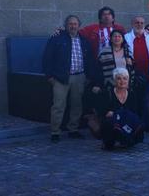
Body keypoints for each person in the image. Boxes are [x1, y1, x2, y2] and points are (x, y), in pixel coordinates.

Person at [43, 15, 94, 143]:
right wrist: (49, 76)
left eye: (75, 24)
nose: (73, 26)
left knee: (77, 105)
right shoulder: (57, 39)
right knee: (58, 106)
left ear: (79, 25)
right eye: (70, 24)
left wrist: (88, 76)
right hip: (61, 78)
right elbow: (47, 57)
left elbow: (90, 60)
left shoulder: (84, 40)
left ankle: (73, 129)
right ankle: (55, 132)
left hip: (79, 77)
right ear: (66, 25)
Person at [125, 16, 149, 131]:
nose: (139, 25)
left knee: (146, 100)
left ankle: (145, 123)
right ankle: (135, 124)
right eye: (137, 22)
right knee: (134, 100)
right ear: (132, 24)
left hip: (148, 74)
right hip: (132, 75)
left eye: (141, 23)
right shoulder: (126, 37)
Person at [100, 68, 143, 150]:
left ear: (128, 80)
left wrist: (119, 114)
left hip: (126, 122)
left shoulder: (132, 94)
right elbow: (103, 112)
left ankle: (127, 140)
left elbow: (135, 111)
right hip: (112, 123)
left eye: (125, 78)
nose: (122, 81)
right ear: (114, 81)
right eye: (119, 78)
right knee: (108, 122)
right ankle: (108, 141)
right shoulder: (107, 93)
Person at [94, 30, 135, 94]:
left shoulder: (128, 50)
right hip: (109, 84)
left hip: (125, 83)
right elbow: (98, 69)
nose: (117, 38)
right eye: (115, 36)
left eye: (119, 36)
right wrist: (97, 84)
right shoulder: (104, 51)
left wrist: (131, 63)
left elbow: (133, 68)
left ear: (122, 39)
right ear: (111, 39)